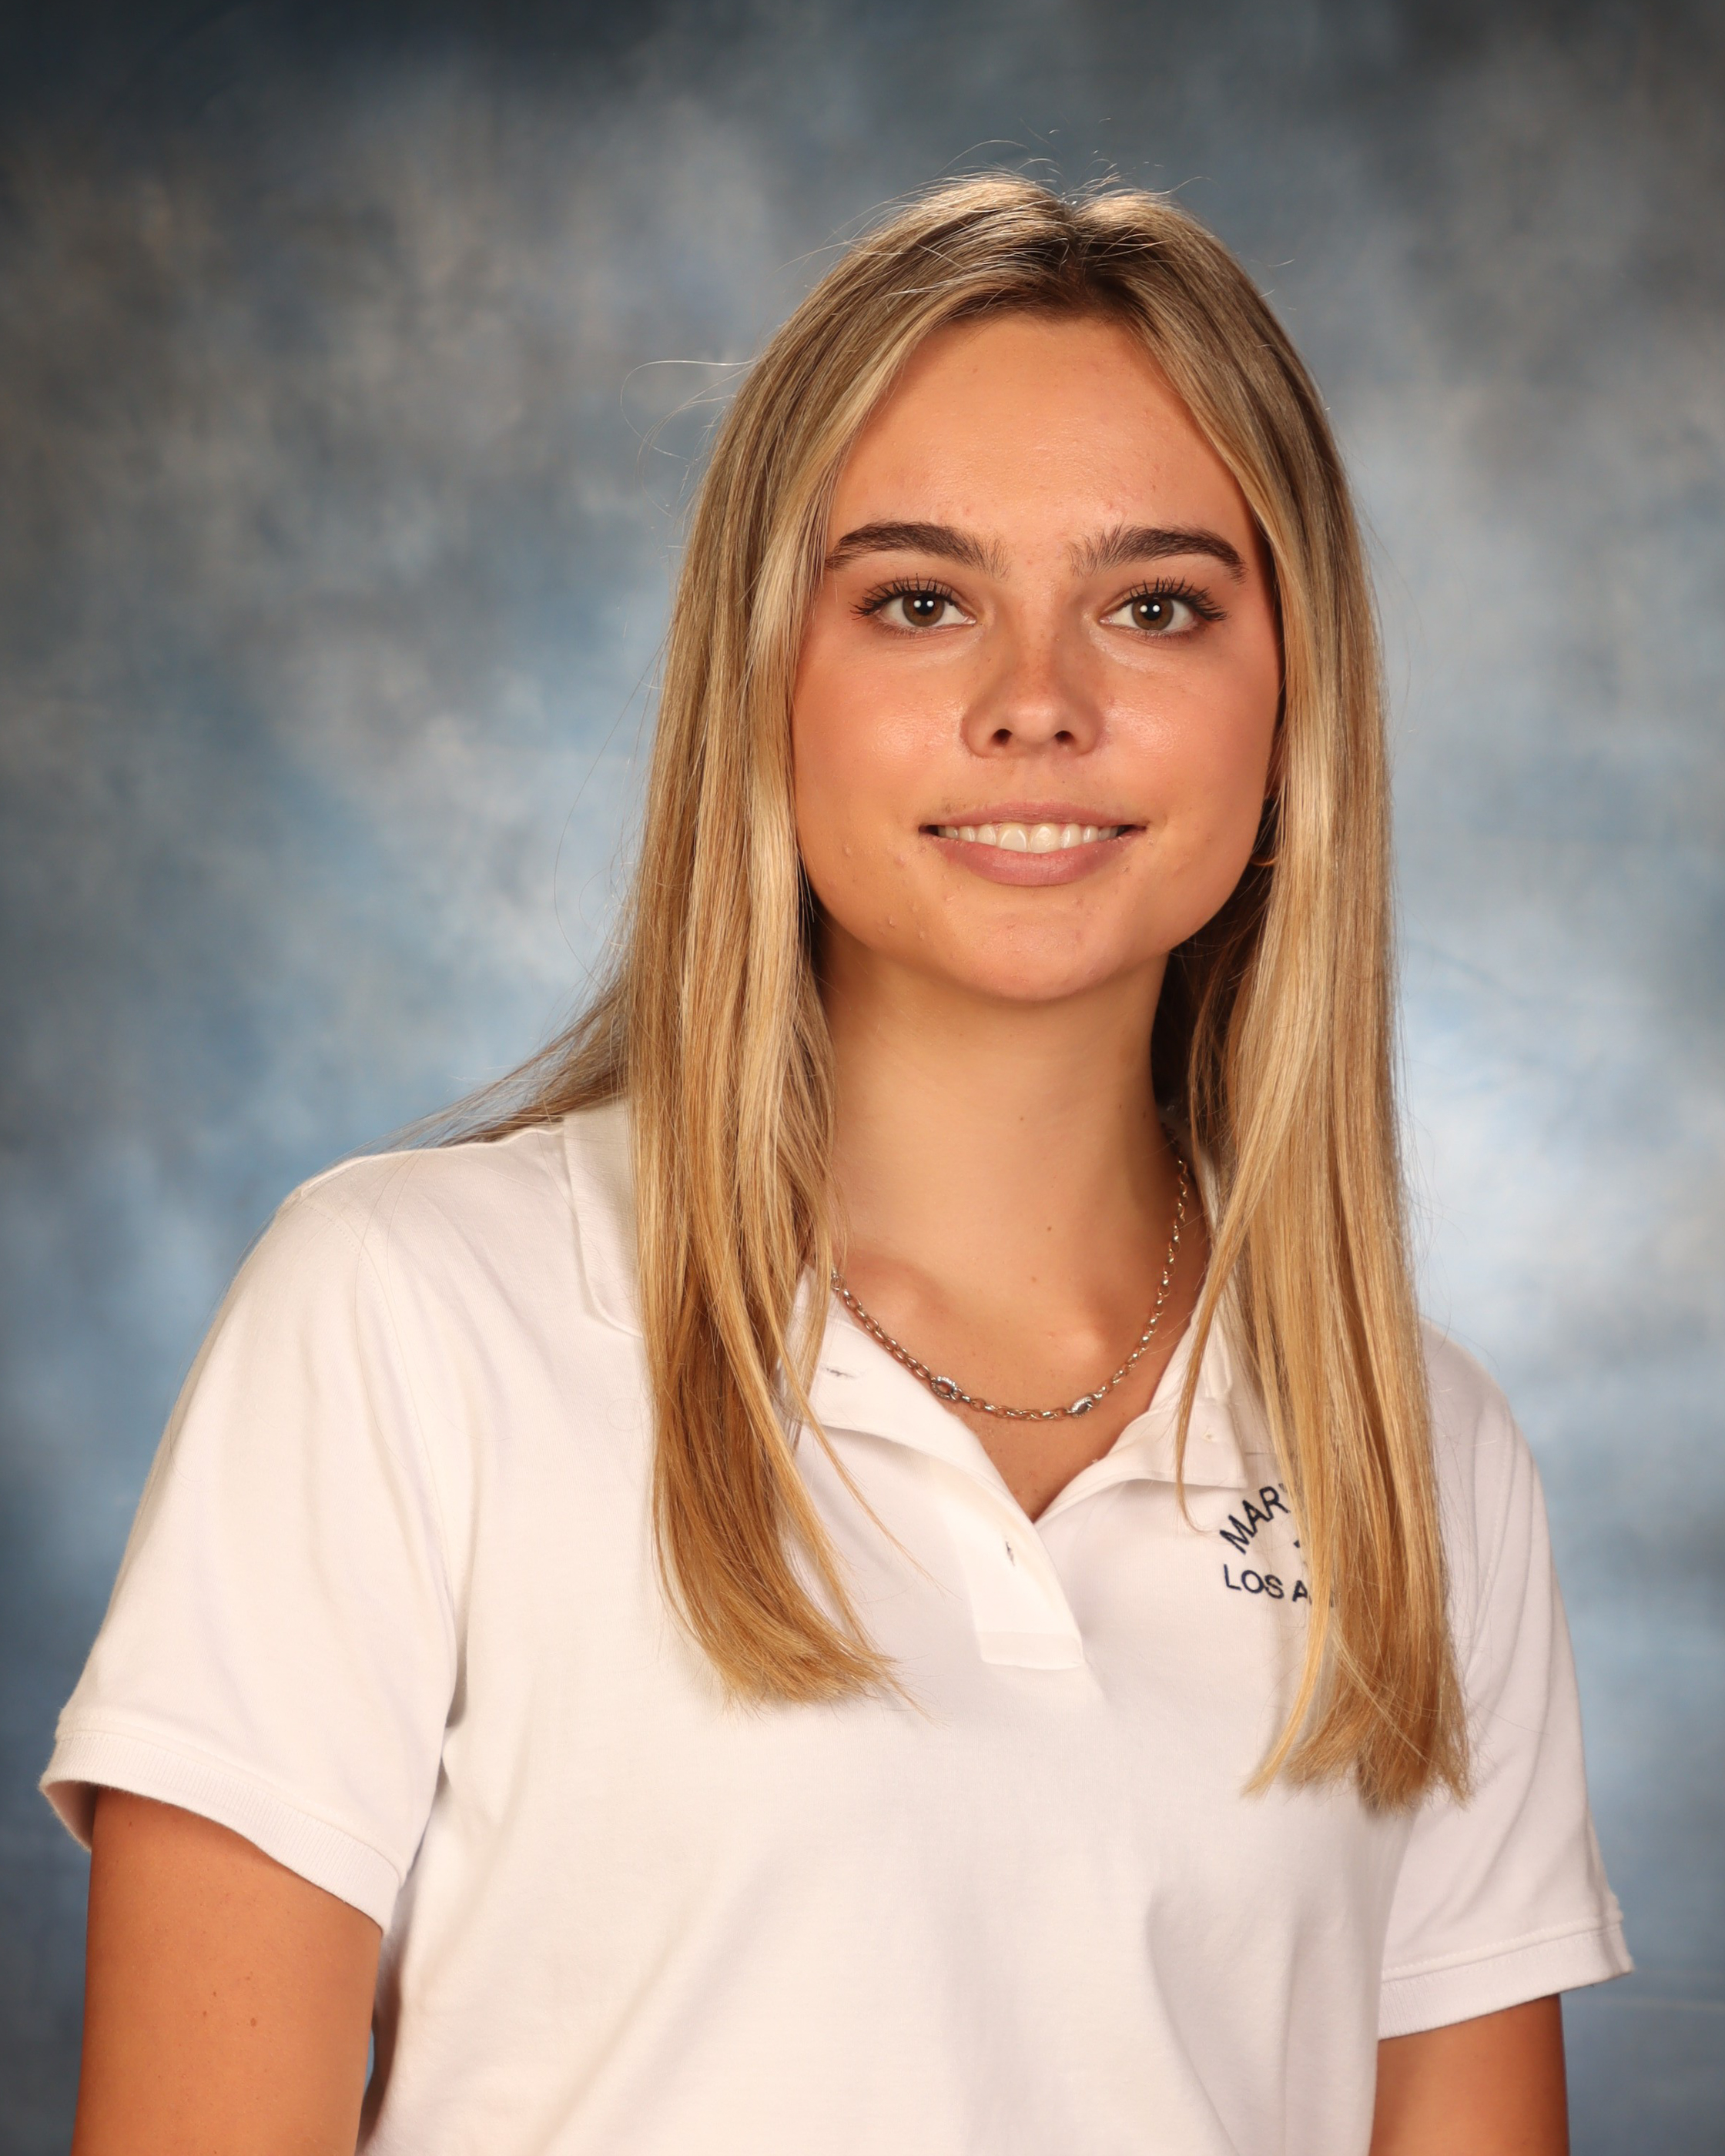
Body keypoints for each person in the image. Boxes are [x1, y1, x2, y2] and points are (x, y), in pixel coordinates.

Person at [46, 176, 1628, 2155]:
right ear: (764, 685)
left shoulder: (1419, 1446)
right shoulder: (402, 1316)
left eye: (1155, 604)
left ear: (1292, 699)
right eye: (917, 600)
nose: (1037, 701)